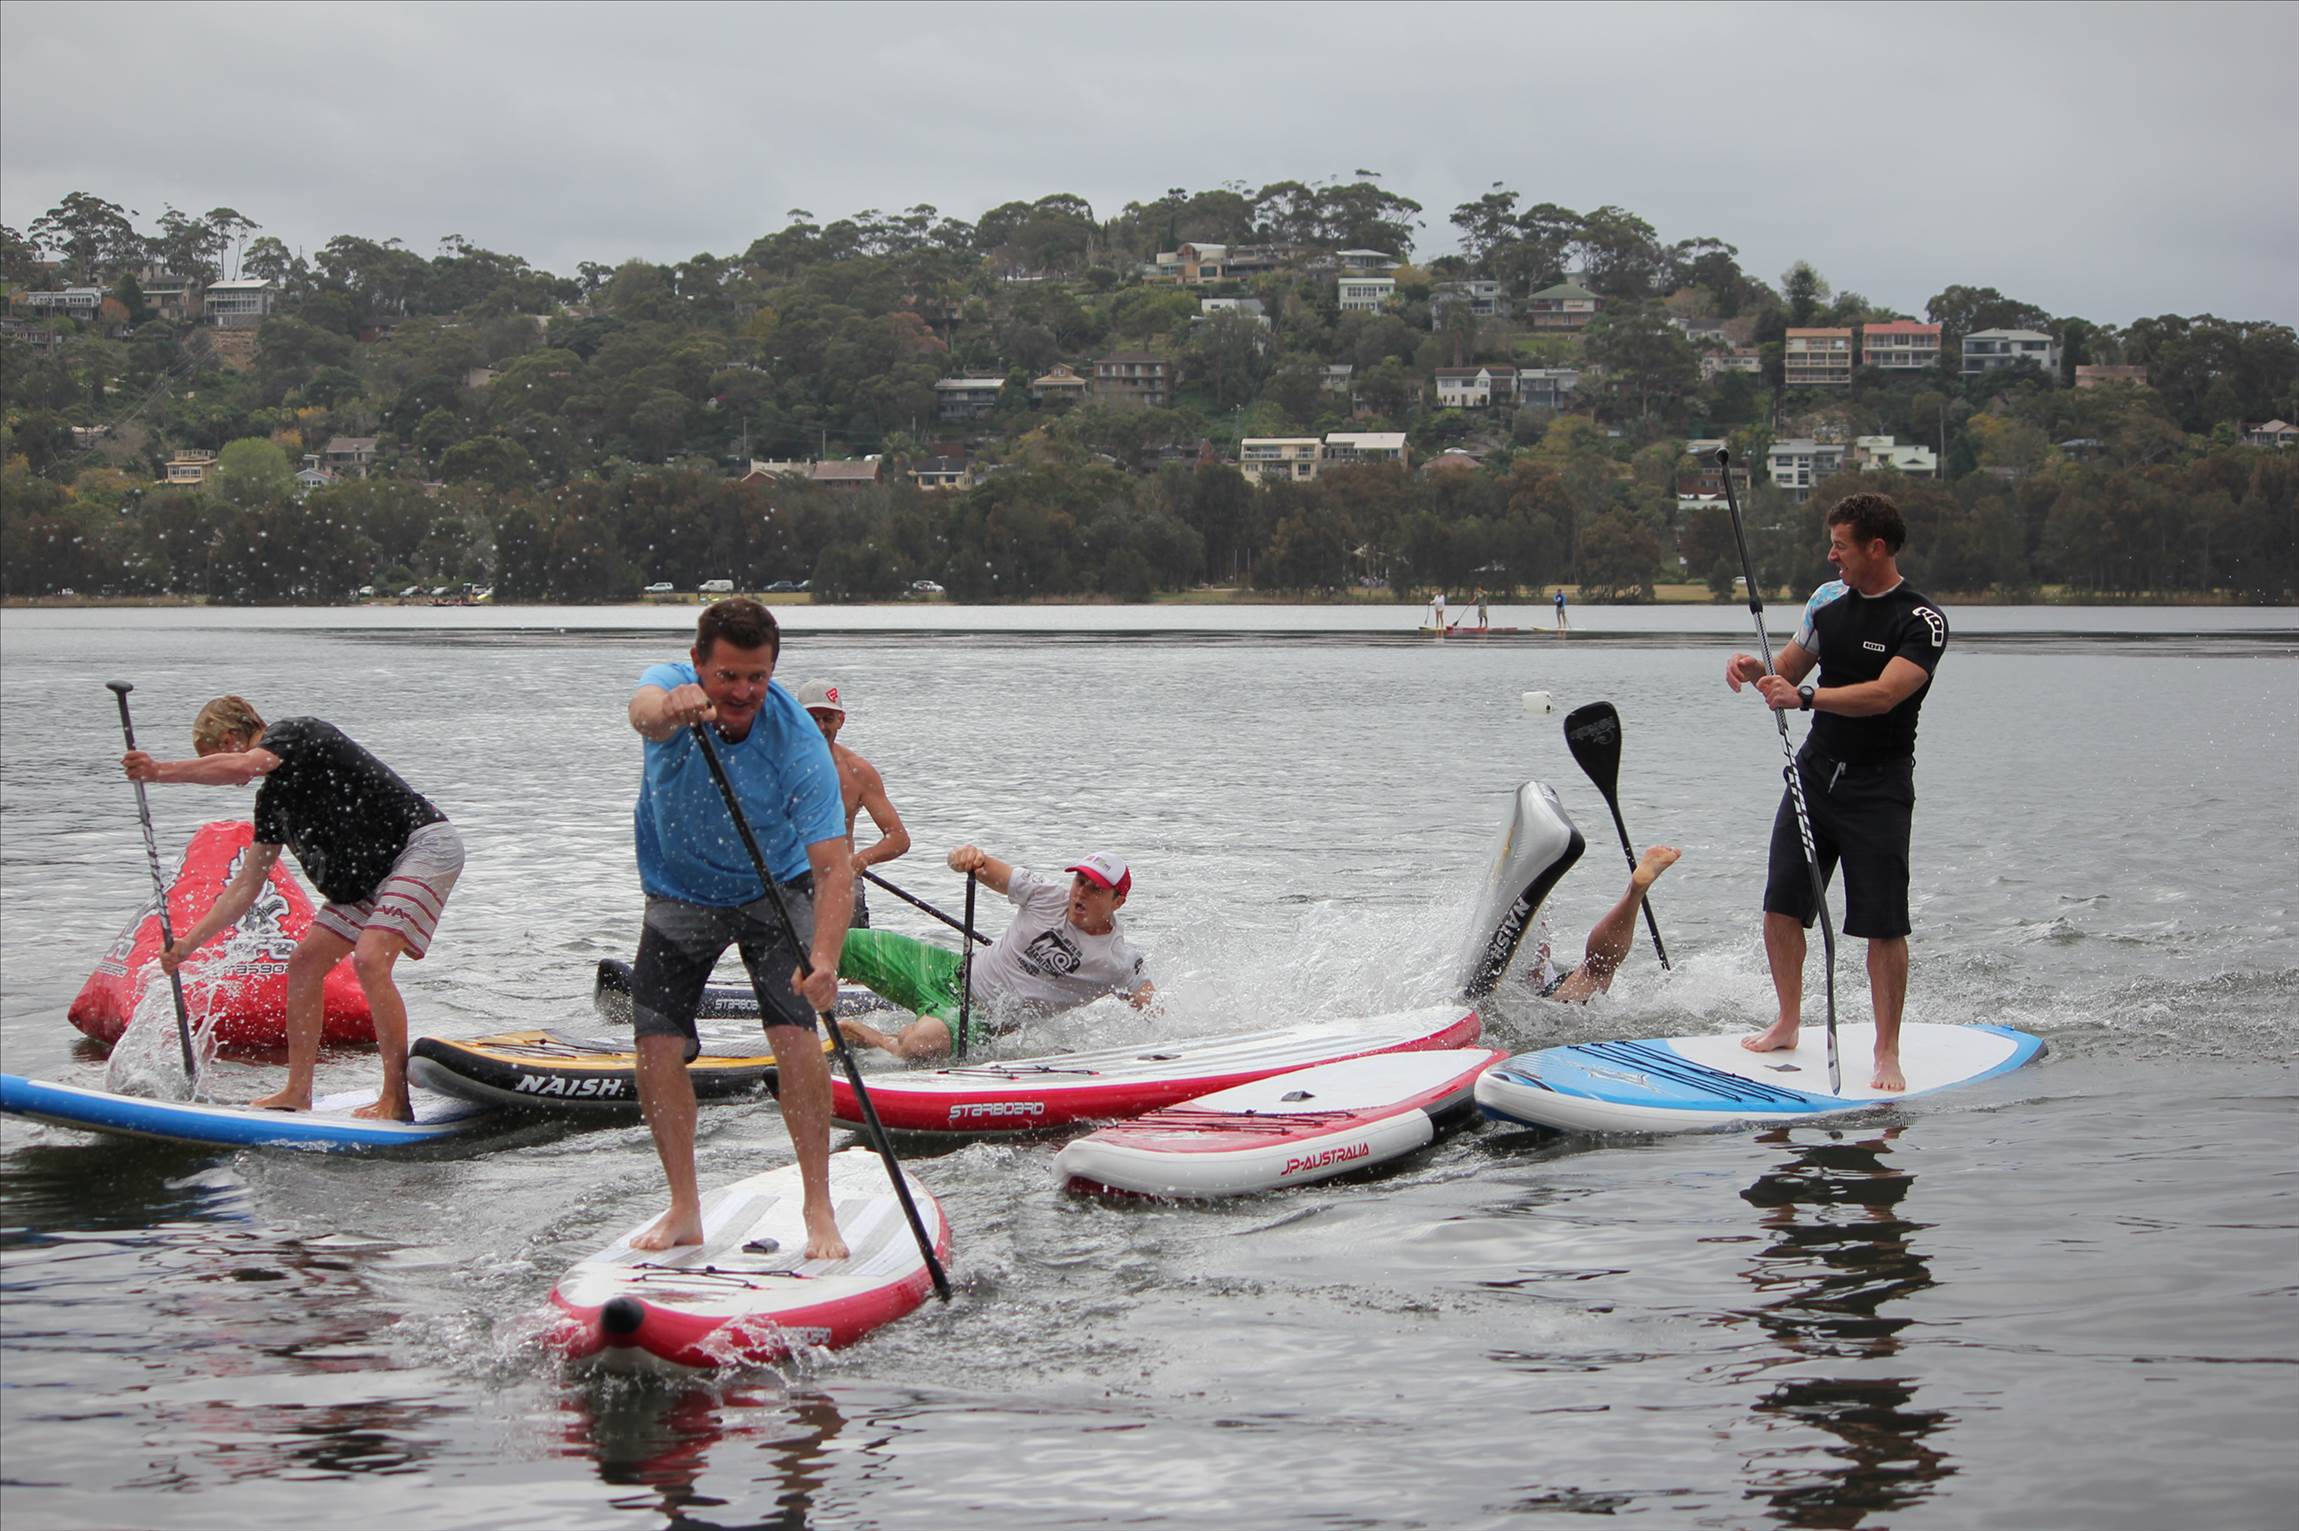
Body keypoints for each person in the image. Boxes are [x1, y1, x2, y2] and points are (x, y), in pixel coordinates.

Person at [626, 599, 854, 1256]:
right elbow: (640, 711)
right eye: (727, 675)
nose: (742, 692)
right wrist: (673, 710)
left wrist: (825, 959)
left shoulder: (797, 740)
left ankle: (818, 1207)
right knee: (656, 1046)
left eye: (756, 677)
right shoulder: (669, 687)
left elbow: (833, 868)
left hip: (771, 891)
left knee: (794, 1037)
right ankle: (683, 1209)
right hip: (678, 892)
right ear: (698, 664)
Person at [120, 696, 464, 1120]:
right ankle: (297, 1091)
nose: (230, 781)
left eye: (212, 761)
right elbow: (246, 886)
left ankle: (396, 1098)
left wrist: (158, 772)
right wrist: (187, 945)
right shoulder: (272, 804)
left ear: (230, 740)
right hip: (367, 878)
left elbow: (245, 766)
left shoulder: (298, 733)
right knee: (303, 964)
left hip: (420, 846)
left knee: (370, 958)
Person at [1724, 491, 1949, 1092]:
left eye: (1841, 546)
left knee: (1882, 925)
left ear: (1875, 548)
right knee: (1781, 907)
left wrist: (1806, 699)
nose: (1832, 557)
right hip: (1814, 776)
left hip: (1879, 789)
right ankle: (1788, 1021)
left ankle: (1886, 1051)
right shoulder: (1827, 604)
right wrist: (1757, 672)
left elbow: (1884, 694)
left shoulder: (1921, 620)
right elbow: (1792, 672)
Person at [837, 847, 1154, 1060]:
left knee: (918, 1045)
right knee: (840, 944)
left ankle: (869, 1036)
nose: (1080, 893)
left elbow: (1156, 1016)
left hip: (978, 1018)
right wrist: (964, 857)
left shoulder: (1118, 961)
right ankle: (790, 1014)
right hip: (948, 970)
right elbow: (981, 865)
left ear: (1118, 902)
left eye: (1095, 889)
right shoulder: (1045, 895)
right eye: (1079, 881)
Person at [794, 678, 911, 930]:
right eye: (812, 718)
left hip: (841, 878)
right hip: (788, 877)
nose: (820, 726)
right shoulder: (776, 765)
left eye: (827, 718)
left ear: (841, 720)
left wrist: (860, 860)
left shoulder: (858, 772)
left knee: (851, 912)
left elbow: (898, 838)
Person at [1523, 845, 1680, 1002]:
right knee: (1595, 970)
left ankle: (1635, 892)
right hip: (1552, 998)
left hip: (1531, 996)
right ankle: (1634, 893)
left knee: (1592, 971)